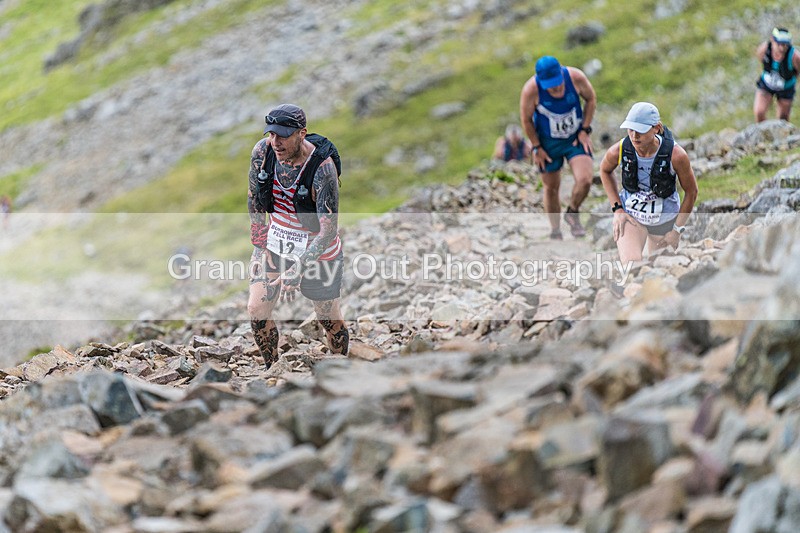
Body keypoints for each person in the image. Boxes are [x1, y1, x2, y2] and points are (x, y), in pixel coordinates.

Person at [247, 103, 349, 370]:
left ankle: (339, 371)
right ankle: (271, 370)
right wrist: (258, 249)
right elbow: (254, 199)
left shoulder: (322, 169)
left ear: (301, 134)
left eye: (283, 135)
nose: (275, 142)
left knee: (327, 317)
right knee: (257, 310)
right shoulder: (262, 152)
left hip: (319, 252)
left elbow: (328, 230)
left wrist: (299, 268)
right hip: (276, 245)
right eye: (271, 134)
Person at [599, 102, 698, 264]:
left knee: (658, 268)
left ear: (656, 128)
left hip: (665, 221)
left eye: (640, 131)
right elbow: (604, 170)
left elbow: (691, 192)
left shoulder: (677, 155)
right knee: (632, 265)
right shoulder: (620, 149)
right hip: (632, 217)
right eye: (630, 129)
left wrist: (677, 229)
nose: (634, 136)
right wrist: (617, 209)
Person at [520, 55, 597, 239]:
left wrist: (585, 129)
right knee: (551, 187)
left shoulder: (576, 77)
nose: (556, 88)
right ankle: (555, 230)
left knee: (585, 179)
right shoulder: (531, 90)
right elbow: (526, 120)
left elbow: (591, 99)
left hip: (574, 138)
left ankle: (573, 212)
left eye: (558, 83)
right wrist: (537, 147)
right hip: (548, 143)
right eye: (550, 86)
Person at [754, 27, 800, 122]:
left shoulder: (795, 56)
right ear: (772, 40)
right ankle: (763, 133)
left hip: (786, 87)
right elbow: (761, 59)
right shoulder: (765, 49)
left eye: (785, 45)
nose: (782, 48)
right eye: (779, 44)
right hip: (767, 84)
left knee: (783, 118)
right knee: (759, 112)